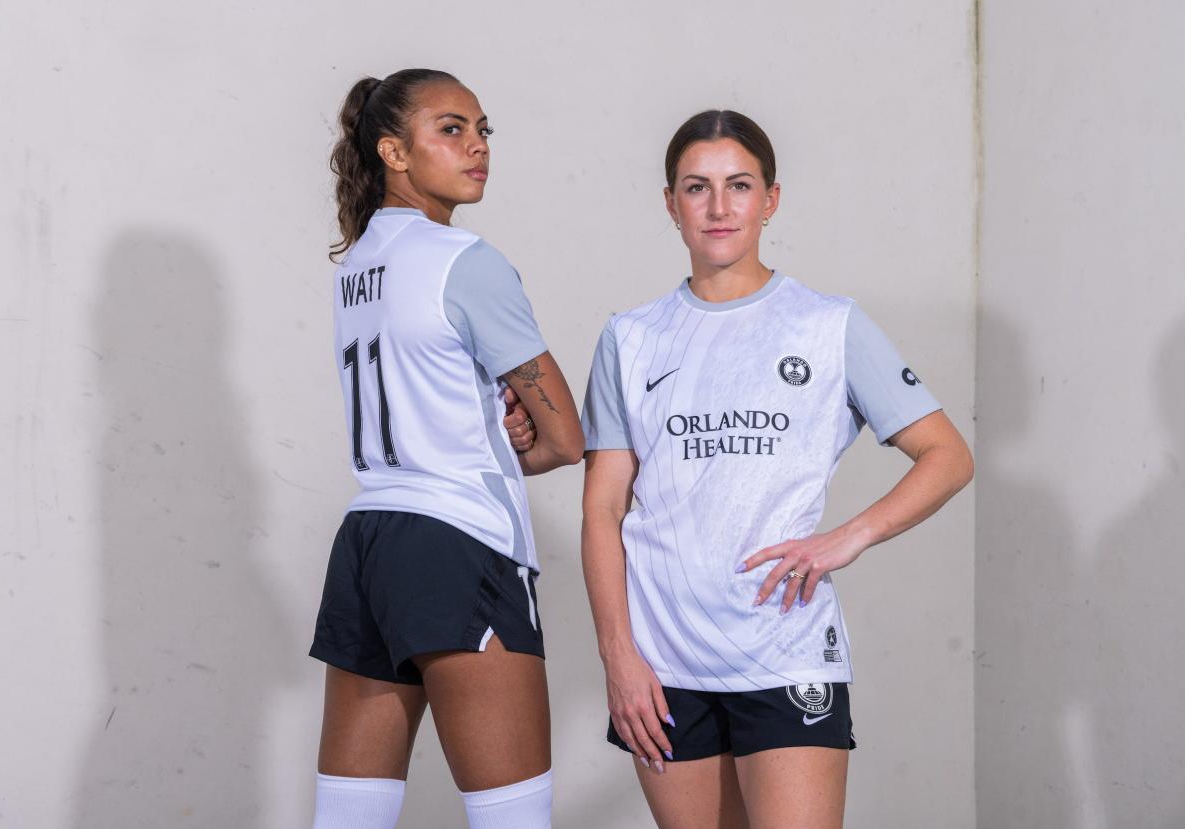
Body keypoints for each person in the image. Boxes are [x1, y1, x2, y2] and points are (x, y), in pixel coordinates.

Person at [579, 110, 973, 828]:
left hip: (785, 650)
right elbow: (603, 509)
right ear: (670, 202)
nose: (720, 207)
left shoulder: (828, 324)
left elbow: (948, 455)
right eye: (697, 188)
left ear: (772, 199)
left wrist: (847, 537)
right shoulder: (629, 338)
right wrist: (618, 655)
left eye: (740, 185)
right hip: (661, 665)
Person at [309, 68, 583, 829]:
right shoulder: (467, 263)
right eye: (452, 129)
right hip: (459, 542)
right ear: (394, 151)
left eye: (483, 129)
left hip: (368, 543)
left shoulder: (356, 265)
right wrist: (511, 439)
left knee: (349, 819)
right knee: (511, 818)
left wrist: (494, 429)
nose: (477, 147)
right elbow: (566, 436)